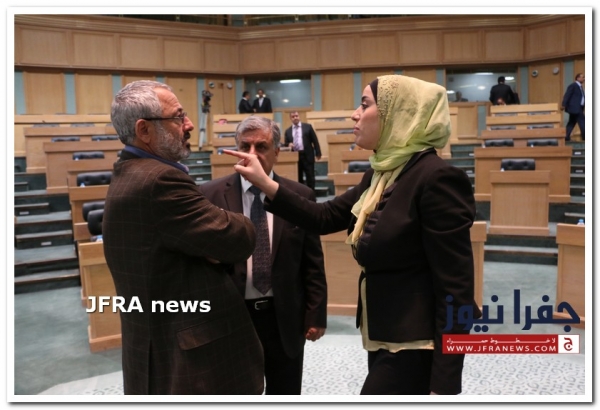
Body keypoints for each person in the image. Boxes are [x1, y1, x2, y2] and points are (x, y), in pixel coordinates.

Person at [225, 75, 480, 395]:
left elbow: (456, 289)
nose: (354, 114)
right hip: (385, 335)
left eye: (364, 105)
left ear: (396, 114)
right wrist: (266, 183)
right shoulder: (382, 172)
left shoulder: (436, 177)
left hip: (418, 343)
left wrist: (444, 384)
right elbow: (324, 217)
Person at [102, 80, 264, 395]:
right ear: (144, 130)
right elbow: (240, 239)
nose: (189, 124)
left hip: (158, 348)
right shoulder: (160, 180)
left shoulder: (129, 172)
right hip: (193, 364)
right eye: (178, 117)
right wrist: (225, 228)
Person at [199, 116, 327, 395]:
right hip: (233, 318)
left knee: (286, 394)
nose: (252, 154)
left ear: (277, 151)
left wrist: (316, 314)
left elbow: (312, 262)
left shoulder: (300, 195)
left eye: (262, 147)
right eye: (245, 147)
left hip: (285, 317)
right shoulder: (210, 195)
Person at [284, 111, 322, 191]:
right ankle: (302, 195)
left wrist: (318, 152)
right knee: (299, 178)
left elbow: (315, 140)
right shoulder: (288, 131)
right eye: (293, 116)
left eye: (296, 116)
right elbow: (285, 144)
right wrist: (288, 144)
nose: (295, 118)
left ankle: (311, 195)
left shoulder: (308, 127)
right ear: (290, 118)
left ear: (299, 116)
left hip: (307, 155)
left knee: (310, 177)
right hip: (295, 157)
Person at [561, 73, 585, 141]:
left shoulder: (580, 87)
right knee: (582, 121)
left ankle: (566, 136)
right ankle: (585, 137)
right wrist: (563, 104)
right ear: (578, 78)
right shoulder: (573, 85)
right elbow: (567, 95)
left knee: (571, 122)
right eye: (582, 77)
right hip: (575, 108)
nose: (584, 79)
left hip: (578, 108)